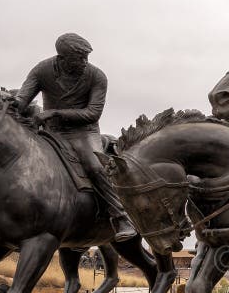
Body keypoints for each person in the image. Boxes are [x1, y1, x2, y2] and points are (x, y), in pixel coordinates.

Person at [14, 33, 137, 240]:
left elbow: (92, 113)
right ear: (62, 58)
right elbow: (22, 99)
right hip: (51, 132)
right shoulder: (42, 70)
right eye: (79, 58)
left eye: (86, 58)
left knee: (95, 166)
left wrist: (54, 113)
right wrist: (8, 101)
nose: (84, 63)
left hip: (83, 132)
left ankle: (120, 216)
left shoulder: (97, 76)